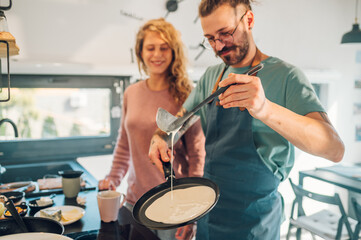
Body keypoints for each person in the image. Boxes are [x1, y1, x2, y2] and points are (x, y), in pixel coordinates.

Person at [148, 1, 345, 239]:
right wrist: (162, 137)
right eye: (210, 38)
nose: (218, 46)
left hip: (255, 224)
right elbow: (181, 120)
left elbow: (334, 149)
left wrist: (265, 108)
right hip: (209, 216)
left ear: (249, 21)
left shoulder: (287, 77)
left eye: (225, 33)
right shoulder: (213, 75)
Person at [98, 18, 206, 240]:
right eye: (151, 48)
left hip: (173, 204)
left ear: (174, 52)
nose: (157, 54)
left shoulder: (186, 95)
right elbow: (124, 143)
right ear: (140, 53)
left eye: (164, 48)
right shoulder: (131, 92)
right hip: (134, 201)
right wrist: (113, 178)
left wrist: (192, 214)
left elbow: (197, 155)